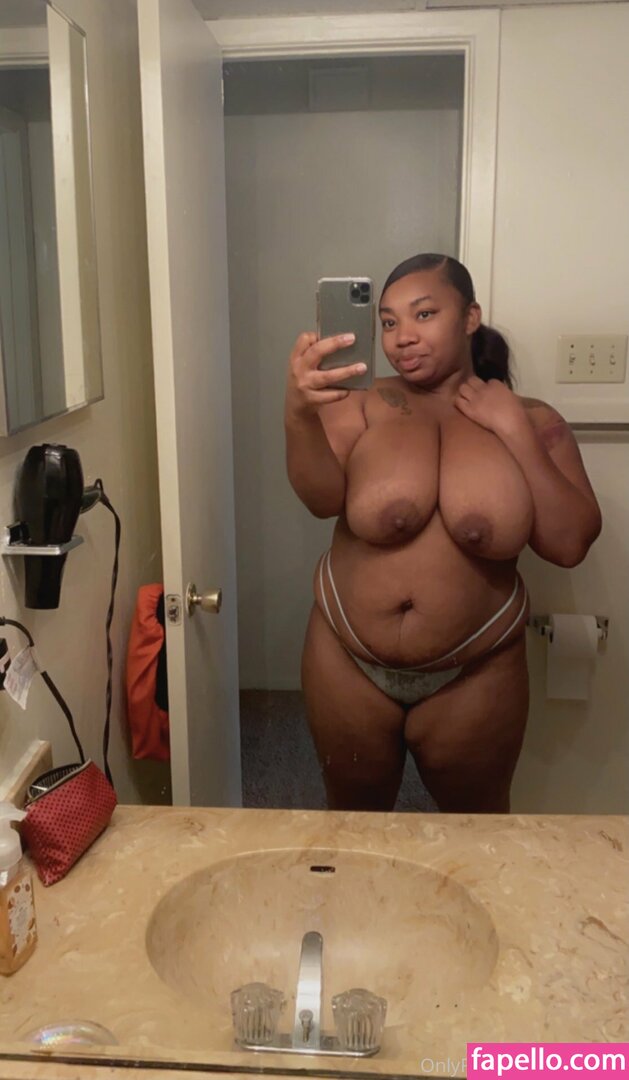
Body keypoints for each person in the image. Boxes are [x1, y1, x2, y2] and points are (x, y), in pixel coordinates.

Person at [284, 253, 602, 813]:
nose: (402, 336)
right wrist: (297, 414)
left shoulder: (532, 419)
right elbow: (319, 500)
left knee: (477, 833)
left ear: (470, 316)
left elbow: (569, 543)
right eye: (388, 322)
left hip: (477, 670)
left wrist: (512, 429)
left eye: (424, 314)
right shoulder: (361, 401)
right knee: (353, 827)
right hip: (345, 658)